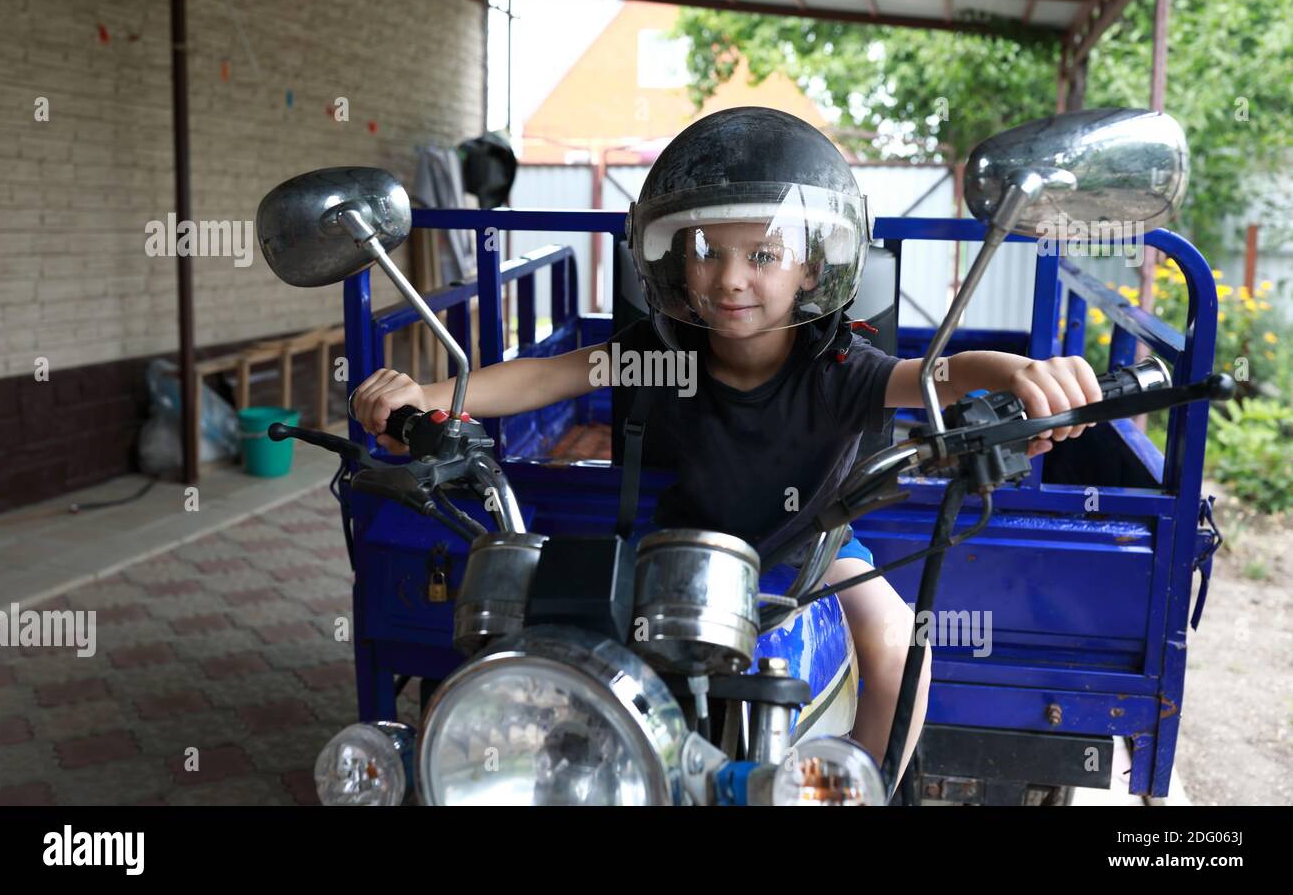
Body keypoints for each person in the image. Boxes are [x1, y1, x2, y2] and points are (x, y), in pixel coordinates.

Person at [351, 107, 1101, 786]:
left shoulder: (839, 368)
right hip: (679, 552)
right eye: (707, 250)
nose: (733, 279)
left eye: (765, 256)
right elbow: (549, 375)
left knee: (901, 642)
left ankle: (857, 788)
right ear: (674, 261)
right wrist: (432, 395)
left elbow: (946, 372)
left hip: (814, 556)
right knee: (574, 660)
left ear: (812, 264)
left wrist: (1028, 376)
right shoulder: (664, 353)